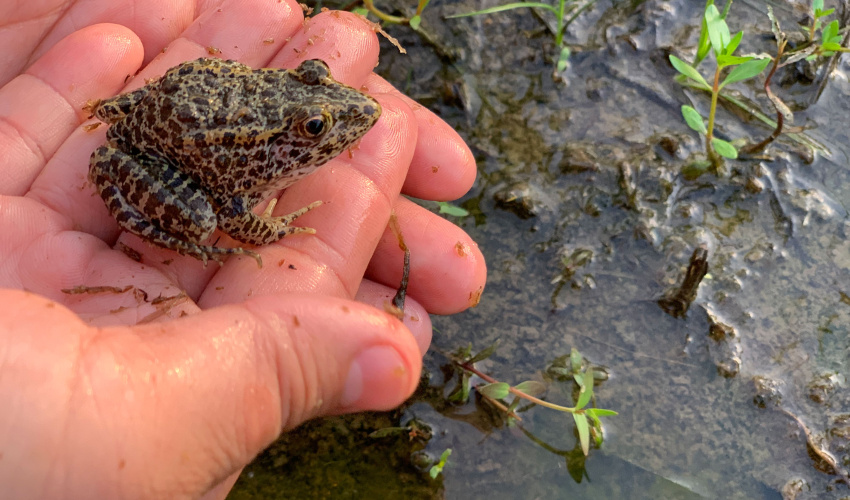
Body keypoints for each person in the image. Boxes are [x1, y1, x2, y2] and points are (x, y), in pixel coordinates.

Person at [0, 1, 486, 498]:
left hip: (165, 103)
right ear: (287, 141)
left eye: (315, 76)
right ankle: (170, 229)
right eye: (315, 127)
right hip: (148, 149)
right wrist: (274, 229)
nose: (352, 113)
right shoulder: (253, 161)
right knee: (204, 219)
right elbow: (238, 218)